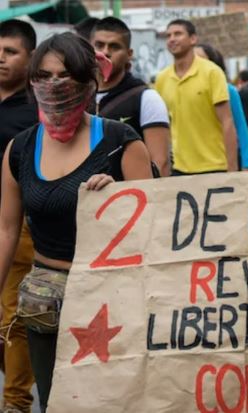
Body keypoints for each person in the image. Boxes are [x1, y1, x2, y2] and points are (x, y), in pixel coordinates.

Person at [0, 33, 153, 413]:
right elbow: (5, 229)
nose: (54, 86)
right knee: (55, 403)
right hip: (44, 310)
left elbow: (156, 224)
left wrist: (119, 198)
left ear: (89, 81)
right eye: (45, 76)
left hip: (112, 306)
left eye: (65, 76)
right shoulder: (19, 148)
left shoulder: (120, 141)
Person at [0, 19, 37, 413]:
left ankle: (15, 401)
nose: (1, 60)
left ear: (30, 58)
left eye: (10, 52)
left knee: (14, 318)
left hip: (18, 228)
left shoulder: (36, 112)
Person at [90, 17, 171, 177]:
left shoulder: (146, 98)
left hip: (128, 198)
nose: (105, 52)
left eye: (114, 46)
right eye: (99, 45)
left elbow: (160, 164)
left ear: (129, 54)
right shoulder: (77, 96)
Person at [154, 19, 238, 175]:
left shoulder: (212, 72)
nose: (172, 39)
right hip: (179, 168)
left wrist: (232, 170)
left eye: (178, 34)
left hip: (215, 166)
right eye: (169, 35)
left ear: (193, 39)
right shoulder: (162, 79)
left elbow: (227, 121)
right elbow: (163, 127)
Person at [194, 43, 248, 170]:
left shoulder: (228, 91)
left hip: (220, 163)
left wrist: (246, 164)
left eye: (200, 59)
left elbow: (241, 128)